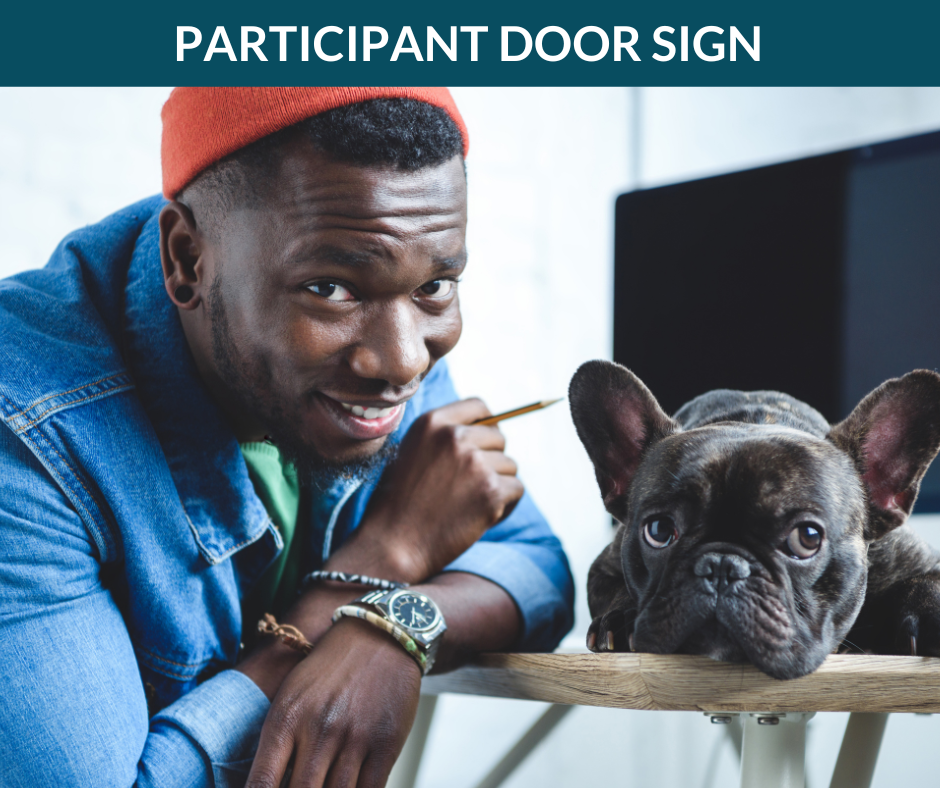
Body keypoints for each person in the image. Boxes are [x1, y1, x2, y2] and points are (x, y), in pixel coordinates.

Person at [0, 86, 574, 787]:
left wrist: (387, 625)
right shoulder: (25, 436)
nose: (403, 364)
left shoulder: (370, 352)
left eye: (438, 285)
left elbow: (536, 569)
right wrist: (382, 564)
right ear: (187, 260)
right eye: (331, 288)